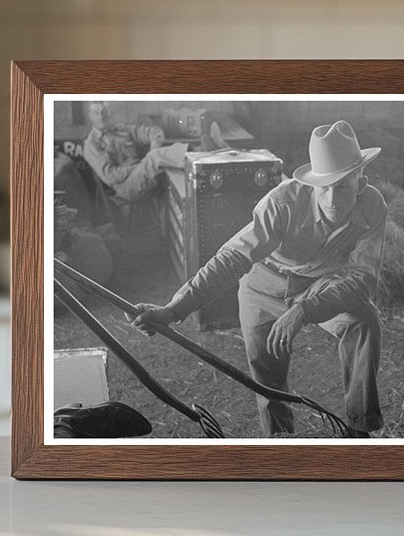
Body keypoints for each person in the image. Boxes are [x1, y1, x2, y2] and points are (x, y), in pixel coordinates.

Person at [131, 120, 387, 437]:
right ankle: (279, 441)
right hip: (263, 287)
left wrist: (304, 310)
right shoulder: (282, 203)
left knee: (364, 319)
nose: (333, 199)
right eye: (325, 187)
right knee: (267, 376)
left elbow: (364, 280)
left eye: (344, 187)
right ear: (312, 184)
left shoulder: (373, 206)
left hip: (318, 286)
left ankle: (358, 431)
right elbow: (231, 258)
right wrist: (174, 309)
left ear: (361, 183)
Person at [81, 101, 189, 208]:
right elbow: (110, 176)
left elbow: (155, 131)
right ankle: (194, 154)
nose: (101, 117)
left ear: (110, 113)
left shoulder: (121, 130)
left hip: (139, 175)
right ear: (90, 116)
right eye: (96, 113)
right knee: (154, 158)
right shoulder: (92, 144)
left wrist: (154, 145)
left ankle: (194, 155)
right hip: (125, 188)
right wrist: (138, 166)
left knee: (164, 165)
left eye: (104, 112)